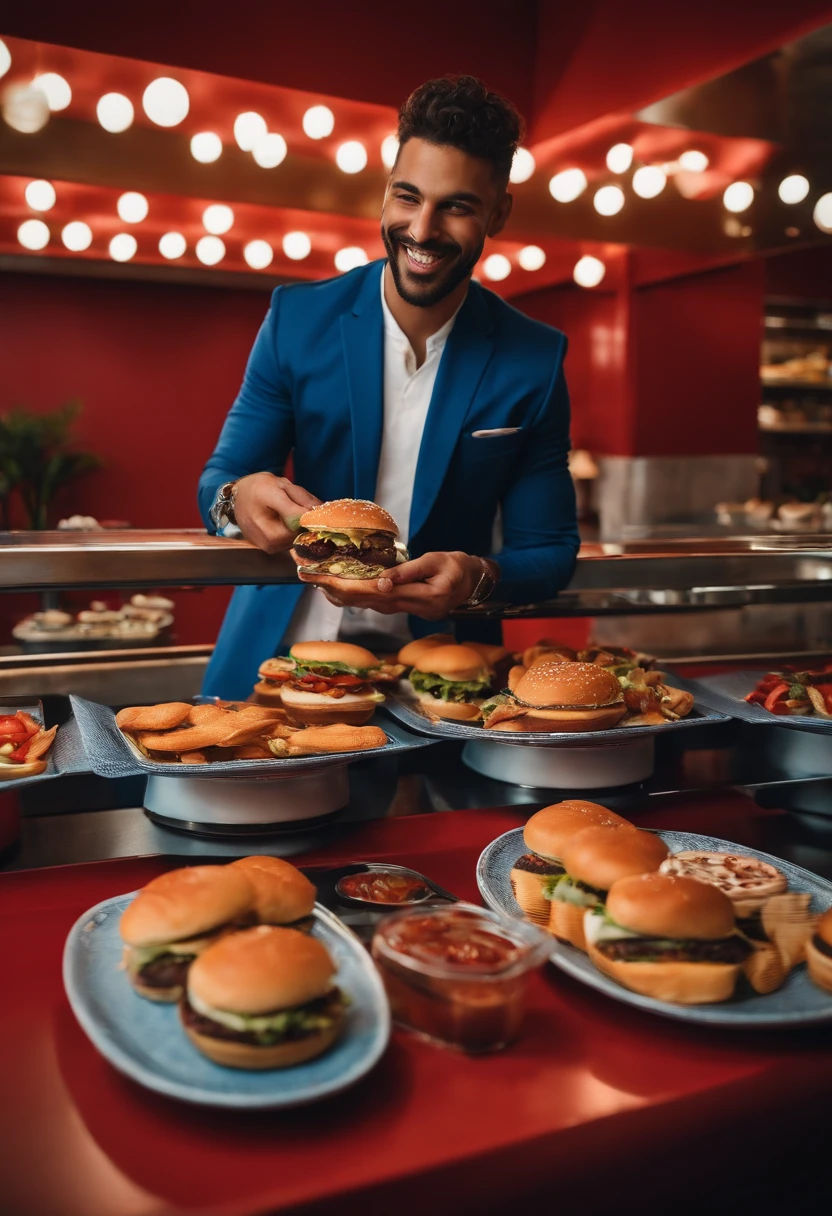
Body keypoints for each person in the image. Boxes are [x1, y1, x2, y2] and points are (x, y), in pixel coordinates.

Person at [199, 75, 579, 699]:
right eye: (408, 197)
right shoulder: (296, 319)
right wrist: (237, 496)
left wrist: (478, 575)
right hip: (280, 651)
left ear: (498, 215)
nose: (422, 230)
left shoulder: (534, 358)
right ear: (385, 196)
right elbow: (222, 477)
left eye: (456, 206)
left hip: (438, 677)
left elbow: (552, 551)